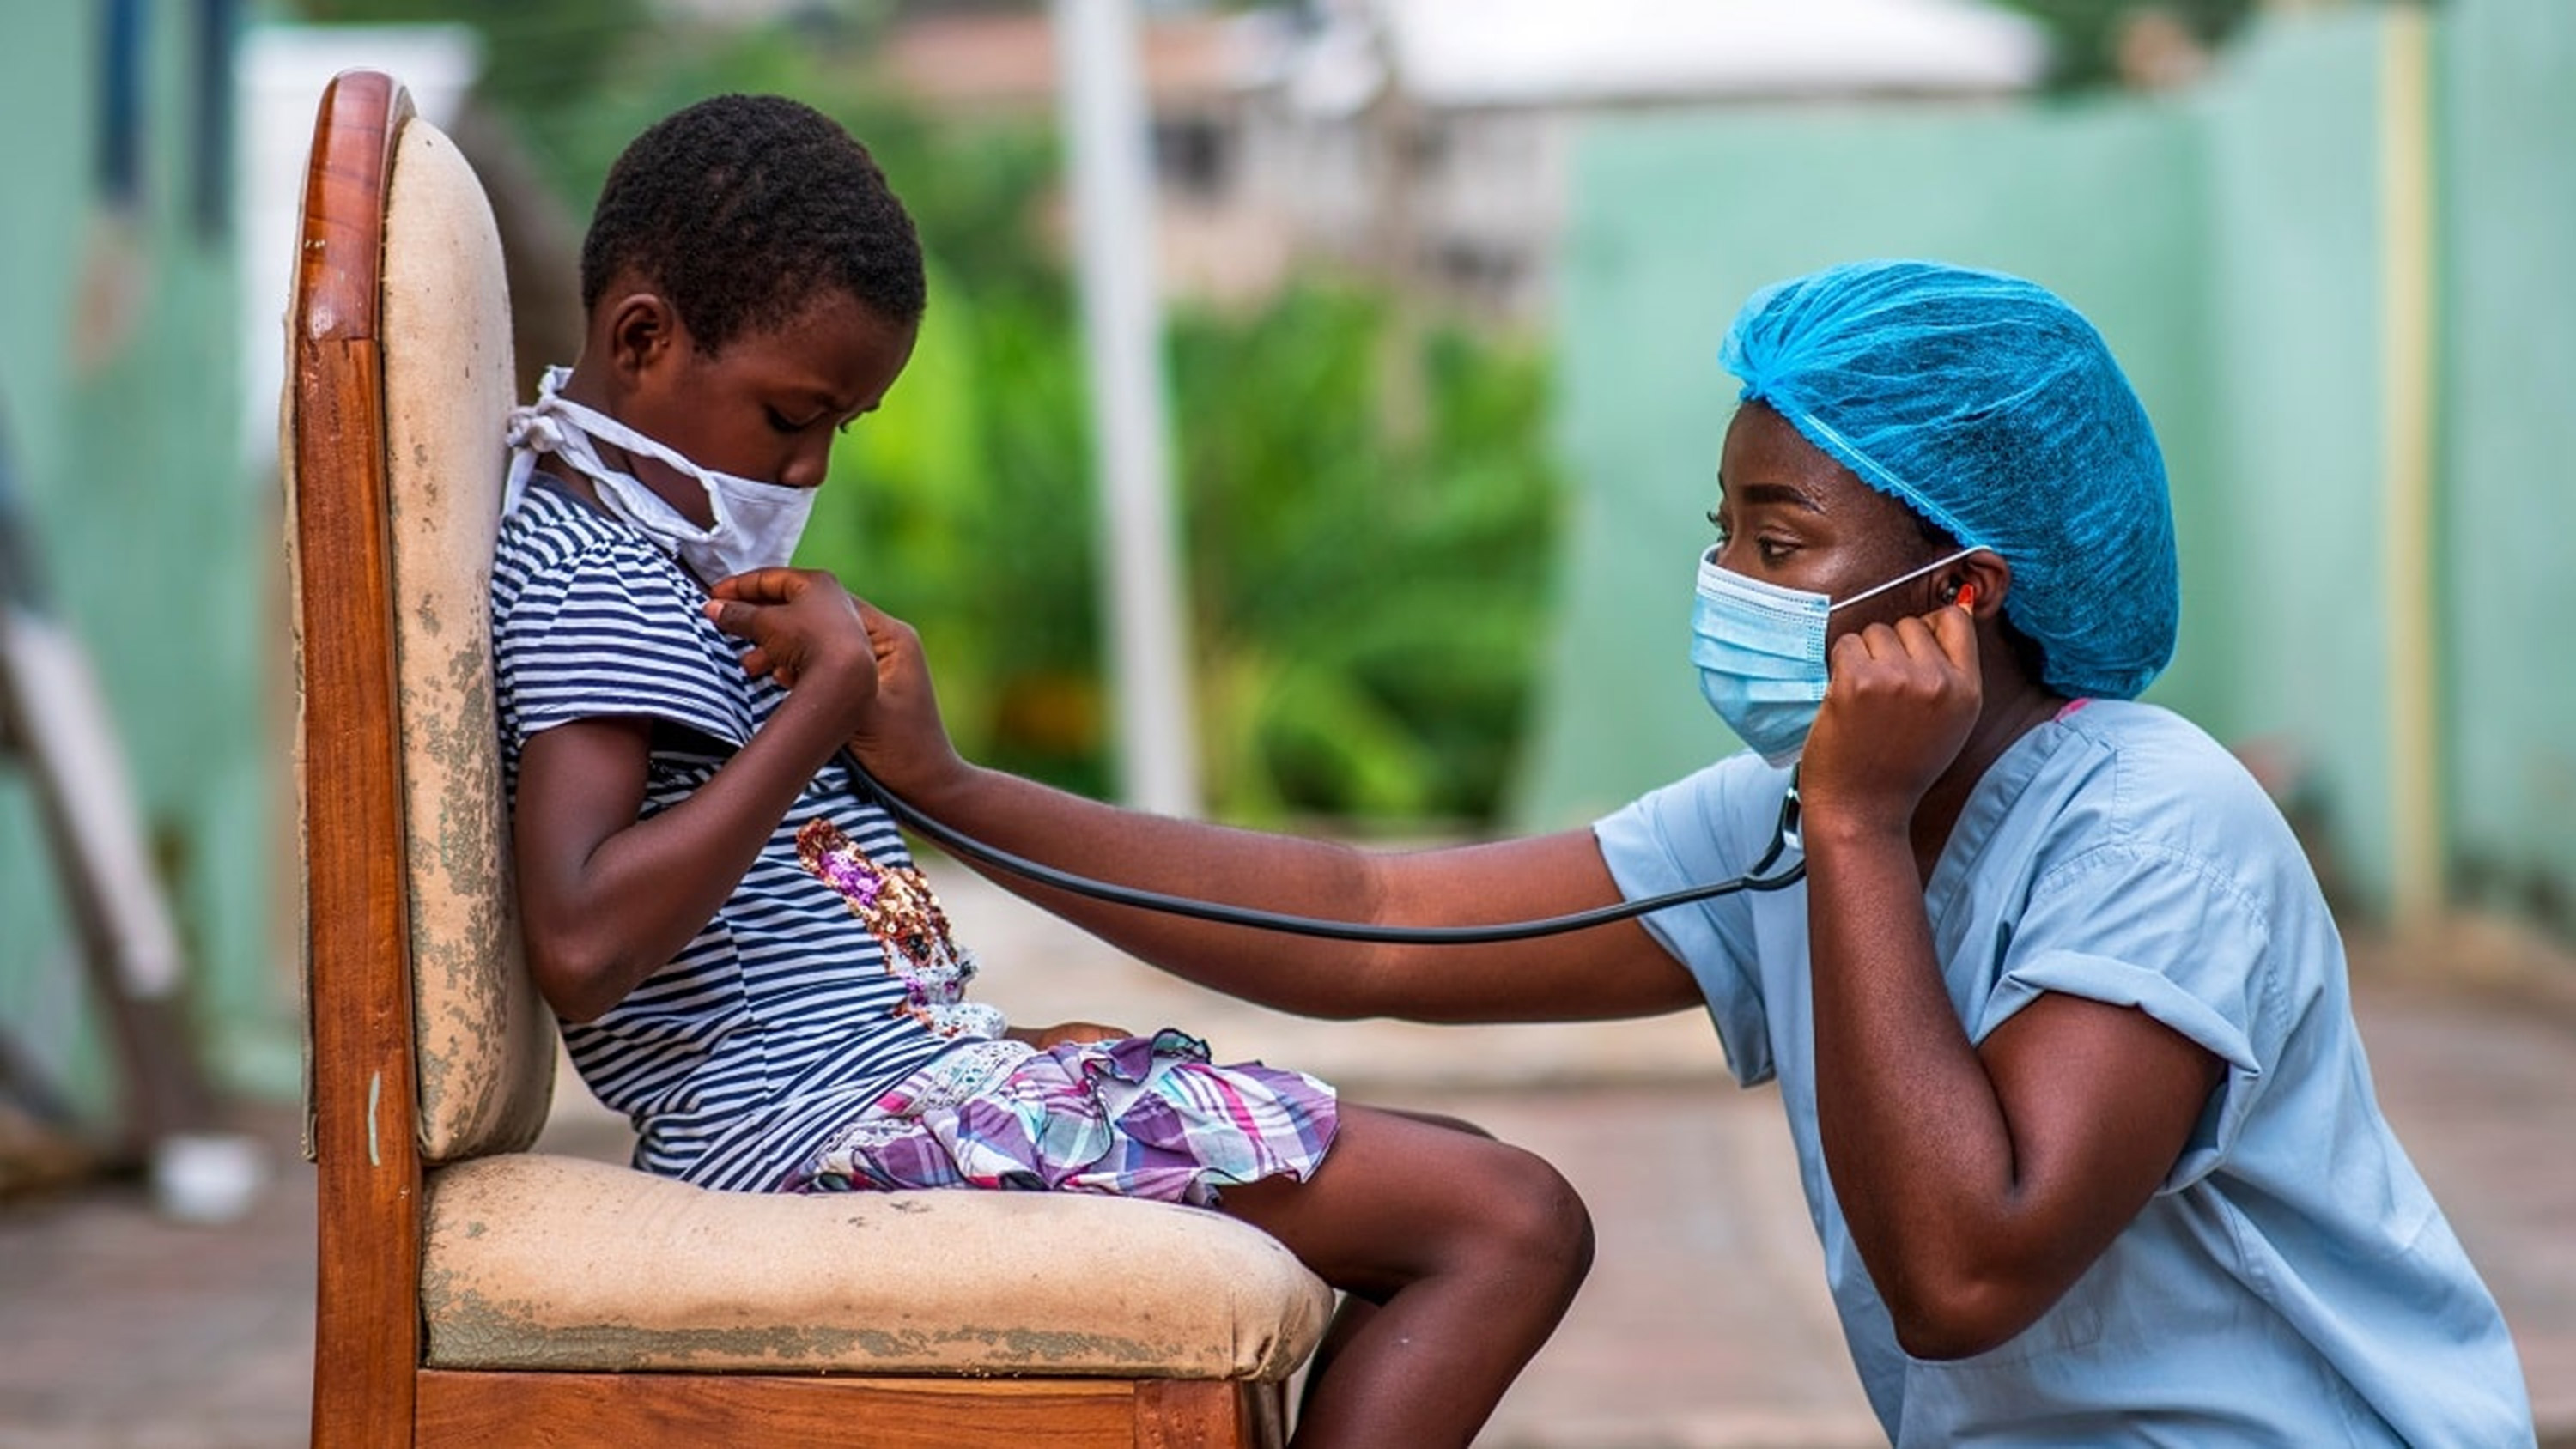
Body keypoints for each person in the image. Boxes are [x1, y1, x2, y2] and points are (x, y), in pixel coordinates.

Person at [716, 258, 2539, 1443]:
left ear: (1963, 595)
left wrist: (1851, 828)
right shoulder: (1795, 821)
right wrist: (944, 786)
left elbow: (1966, 1269)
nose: (1726, 585)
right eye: (1724, 527)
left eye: (1781, 538)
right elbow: (1375, 922)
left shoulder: (2156, 823)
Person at [489, 94, 1593, 1449]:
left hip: (902, 1085)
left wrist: (898, 755)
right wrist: (819, 704)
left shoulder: (669, 557)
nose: (810, 465)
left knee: (1459, 1169)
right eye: (792, 412)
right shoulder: (594, 574)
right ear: (642, 339)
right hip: (815, 1137)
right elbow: (584, 936)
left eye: (844, 424)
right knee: (1512, 1220)